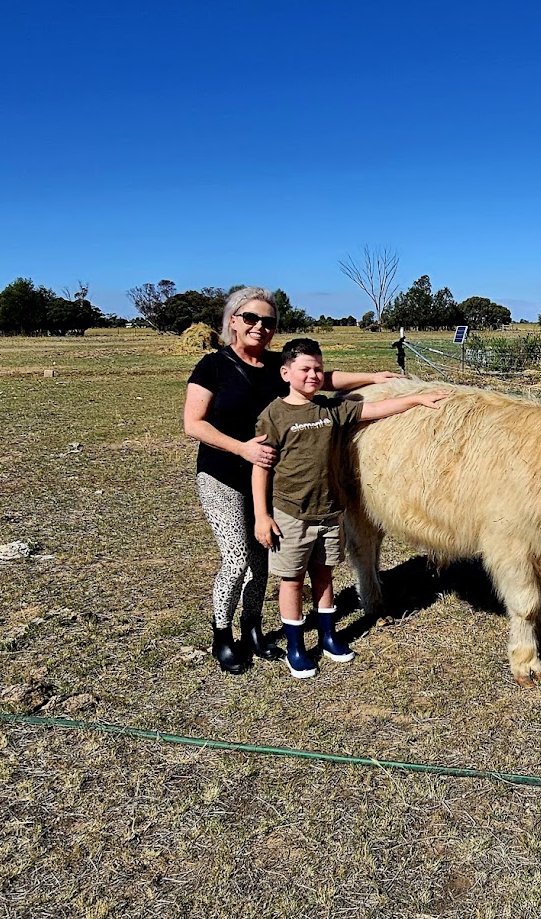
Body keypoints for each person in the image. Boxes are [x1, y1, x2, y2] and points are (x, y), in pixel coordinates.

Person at [183, 288, 400, 674]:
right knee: (237, 560)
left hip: (274, 480)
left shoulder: (274, 365)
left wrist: (374, 376)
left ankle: (253, 630)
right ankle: (222, 635)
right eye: (251, 318)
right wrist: (242, 449)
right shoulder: (212, 366)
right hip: (224, 475)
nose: (260, 327)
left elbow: (323, 377)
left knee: (264, 560)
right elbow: (193, 424)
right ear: (233, 320)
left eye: (269, 322)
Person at [252, 337, 450, 679]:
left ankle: (329, 636)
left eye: (318, 369)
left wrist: (415, 397)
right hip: (291, 513)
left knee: (325, 573)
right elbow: (262, 466)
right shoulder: (273, 416)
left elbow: (373, 409)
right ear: (285, 373)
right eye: (304, 370)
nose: (313, 375)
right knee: (292, 580)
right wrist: (262, 514)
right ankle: (296, 646)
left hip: (329, 508)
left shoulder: (330, 409)